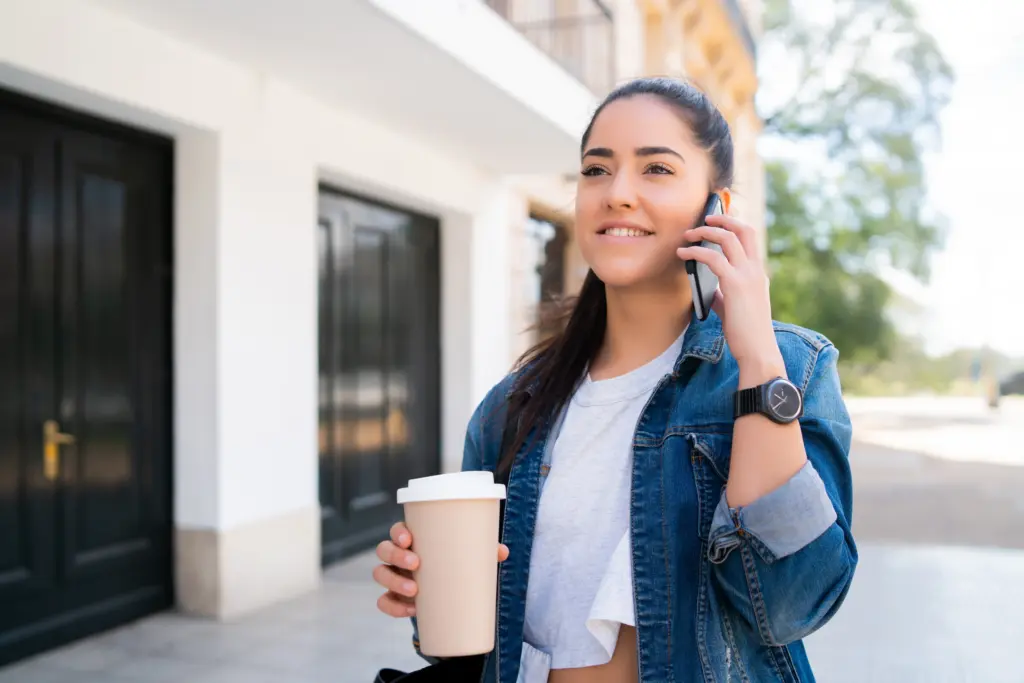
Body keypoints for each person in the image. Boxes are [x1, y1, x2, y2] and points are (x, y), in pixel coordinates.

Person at [373, 76, 856, 683]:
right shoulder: (511, 408)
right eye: (596, 170)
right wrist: (425, 593)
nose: (617, 193)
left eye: (656, 169)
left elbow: (792, 605)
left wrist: (757, 359)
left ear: (717, 209)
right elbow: (464, 646)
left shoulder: (791, 368)